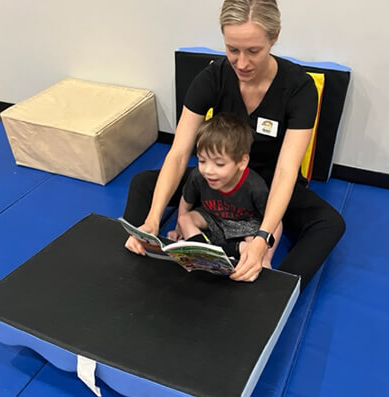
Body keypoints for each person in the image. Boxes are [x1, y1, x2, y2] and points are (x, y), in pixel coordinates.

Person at [124, 0, 345, 290]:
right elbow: (178, 153)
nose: (242, 63)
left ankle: (276, 291)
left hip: (267, 188)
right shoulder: (212, 77)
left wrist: (263, 237)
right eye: (233, 50)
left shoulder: (299, 88)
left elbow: (287, 170)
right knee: (144, 183)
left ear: (274, 36)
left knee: (330, 224)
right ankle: (140, 246)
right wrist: (152, 220)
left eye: (253, 51)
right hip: (219, 179)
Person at [168, 112, 282, 268]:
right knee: (184, 219)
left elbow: (276, 222)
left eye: (219, 164)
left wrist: (266, 258)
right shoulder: (197, 176)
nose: (208, 170)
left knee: (252, 243)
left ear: (242, 162)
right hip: (212, 218)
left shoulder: (255, 186)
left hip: (245, 225)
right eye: (202, 160)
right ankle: (203, 254)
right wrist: (178, 228)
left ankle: (234, 249)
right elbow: (186, 201)